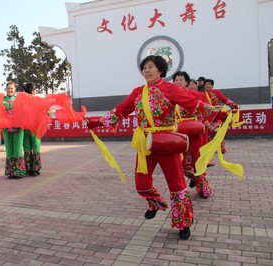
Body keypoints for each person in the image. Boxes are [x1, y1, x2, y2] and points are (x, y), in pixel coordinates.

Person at [87, 55, 224, 240]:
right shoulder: (137, 92)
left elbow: (193, 105)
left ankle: (183, 223)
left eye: (150, 66)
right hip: (146, 145)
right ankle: (156, 203)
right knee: (141, 184)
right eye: (144, 67)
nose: (146, 70)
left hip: (167, 143)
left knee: (177, 185)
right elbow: (119, 111)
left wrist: (219, 113)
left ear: (160, 70)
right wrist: (97, 122)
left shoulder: (171, 89)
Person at [173, 71, 212, 198]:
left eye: (180, 79)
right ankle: (193, 178)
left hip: (194, 131)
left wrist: (205, 122)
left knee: (197, 159)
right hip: (179, 132)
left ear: (186, 82)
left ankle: (203, 186)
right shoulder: (169, 97)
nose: (178, 82)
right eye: (176, 80)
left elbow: (206, 109)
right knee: (182, 161)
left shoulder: (195, 95)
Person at [204, 78, 239, 154]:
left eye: (209, 84)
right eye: (206, 84)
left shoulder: (216, 92)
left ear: (212, 85)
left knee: (218, 131)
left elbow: (225, 99)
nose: (207, 86)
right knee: (207, 132)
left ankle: (221, 148)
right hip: (207, 116)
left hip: (217, 115)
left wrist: (234, 105)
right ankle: (210, 148)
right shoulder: (203, 94)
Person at [2, 81, 26, 179]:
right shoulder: (2, 100)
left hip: (18, 127)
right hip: (6, 127)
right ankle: (10, 171)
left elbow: (25, 110)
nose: (10, 90)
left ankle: (18, 171)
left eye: (12, 88)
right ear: (6, 89)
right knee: (9, 148)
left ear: (15, 89)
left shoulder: (19, 99)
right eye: (8, 88)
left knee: (17, 148)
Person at [22, 83, 42, 176]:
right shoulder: (37, 100)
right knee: (36, 147)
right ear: (33, 91)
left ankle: (28, 168)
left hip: (25, 128)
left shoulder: (22, 101)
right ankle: (35, 169)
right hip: (35, 127)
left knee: (27, 148)